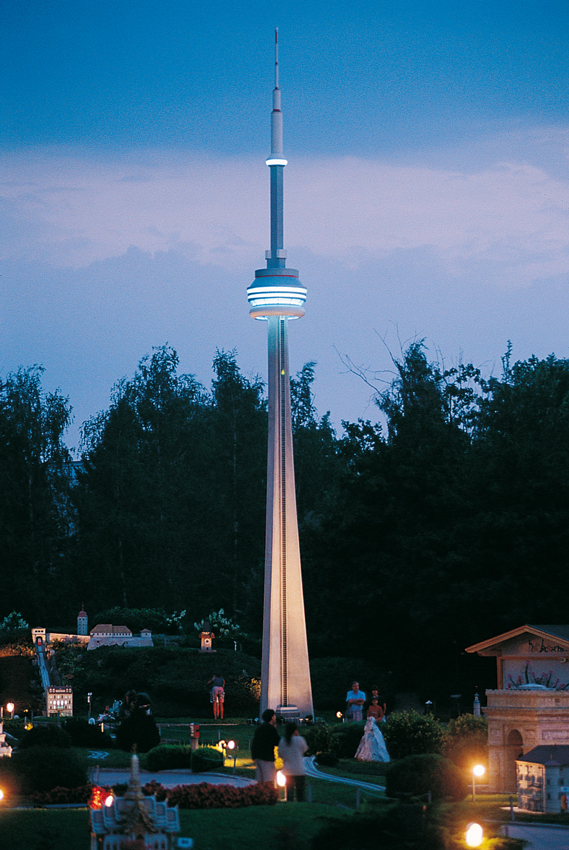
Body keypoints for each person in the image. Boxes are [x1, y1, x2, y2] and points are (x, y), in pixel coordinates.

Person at [278, 722, 308, 802]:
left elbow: (280, 754)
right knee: (300, 791)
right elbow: (305, 749)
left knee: (289, 791)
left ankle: (290, 804)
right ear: (295, 730)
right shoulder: (300, 739)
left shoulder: (283, 741)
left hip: (288, 770)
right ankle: (301, 806)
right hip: (299, 769)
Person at [251, 708, 280, 783]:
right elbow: (277, 741)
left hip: (258, 757)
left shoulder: (259, 728)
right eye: (274, 715)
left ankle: (261, 794)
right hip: (267, 758)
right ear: (272, 717)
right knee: (269, 780)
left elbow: (254, 742)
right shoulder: (271, 729)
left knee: (260, 781)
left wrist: (254, 756)